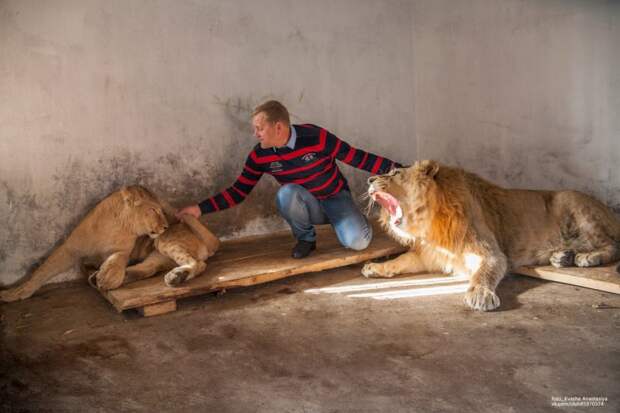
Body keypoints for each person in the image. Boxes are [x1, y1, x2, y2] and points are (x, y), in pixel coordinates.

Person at [177, 100, 402, 258]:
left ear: (278, 127)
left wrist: (400, 171)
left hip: (335, 197)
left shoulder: (315, 136)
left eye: (260, 128)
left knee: (357, 243)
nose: (256, 134)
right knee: (286, 193)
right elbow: (238, 191)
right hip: (307, 204)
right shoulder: (260, 155)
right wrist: (199, 209)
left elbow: (357, 157)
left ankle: (351, 219)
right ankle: (306, 239)